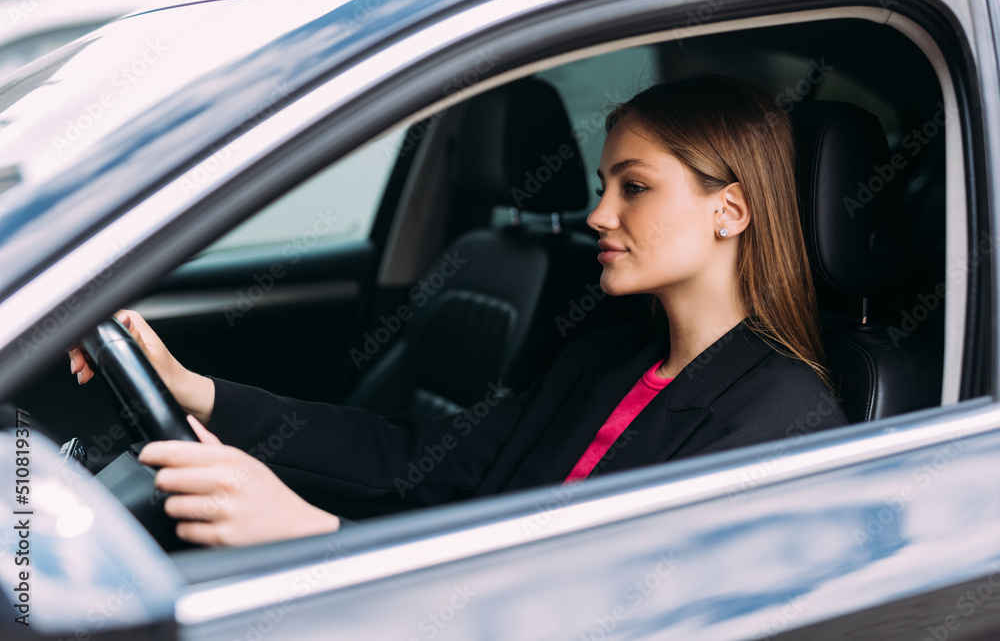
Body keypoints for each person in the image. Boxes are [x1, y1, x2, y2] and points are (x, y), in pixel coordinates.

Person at [68, 74, 848, 547]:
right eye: (604, 184)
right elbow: (409, 456)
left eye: (633, 187)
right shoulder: (601, 361)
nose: (597, 214)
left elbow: (604, 604)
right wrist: (191, 388)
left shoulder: (780, 413)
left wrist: (315, 535)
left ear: (731, 211)